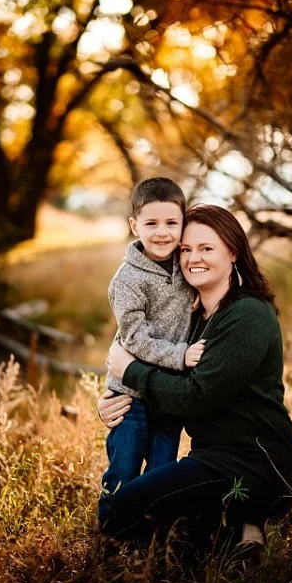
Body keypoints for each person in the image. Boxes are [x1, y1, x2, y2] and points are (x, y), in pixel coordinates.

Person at [98, 205, 292, 560]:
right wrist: (115, 398)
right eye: (186, 249)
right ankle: (231, 526)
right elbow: (152, 369)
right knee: (148, 515)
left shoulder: (247, 314)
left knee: (121, 510)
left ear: (233, 252)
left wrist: (131, 372)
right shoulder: (192, 321)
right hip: (210, 458)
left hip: (257, 461)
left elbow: (194, 397)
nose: (193, 258)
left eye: (206, 248)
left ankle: (243, 517)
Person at [99, 178, 200, 516]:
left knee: (161, 474)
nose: (162, 232)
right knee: (124, 473)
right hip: (130, 398)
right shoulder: (126, 280)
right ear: (134, 225)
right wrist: (180, 356)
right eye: (151, 223)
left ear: (183, 223)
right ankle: (111, 534)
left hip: (168, 395)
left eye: (172, 223)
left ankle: (154, 541)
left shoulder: (186, 266)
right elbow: (134, 338)